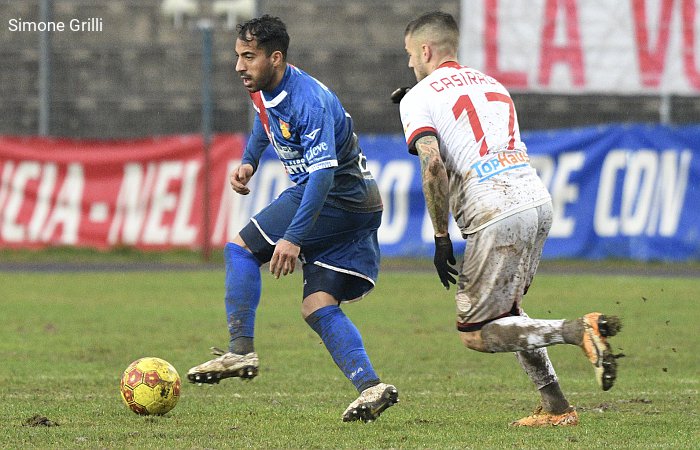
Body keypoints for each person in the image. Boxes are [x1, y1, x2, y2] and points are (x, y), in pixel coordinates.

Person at [394, 11, 622, 427]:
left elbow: (433, 167)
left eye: (410, 54)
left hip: (492, 211)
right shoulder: (492, 83)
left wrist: (441, 235)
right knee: (512, 311)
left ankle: (575, 330)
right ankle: (556, 407)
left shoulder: (417, 97)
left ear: (425, 50)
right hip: (535, 201)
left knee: (476, 334)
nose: (409, 63)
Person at [187, 14, 398, 423]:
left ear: (276, 58)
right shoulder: (264, 87)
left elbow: (321, 175)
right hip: (357, 206)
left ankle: (240, 350)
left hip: (336, 197)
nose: (239, 66)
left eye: (248, 57)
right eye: (237, 56)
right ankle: (371, 386)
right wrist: (249, 162)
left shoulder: (309, 101)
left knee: (241, 250)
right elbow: (264, 122)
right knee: (317, 305)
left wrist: (294, 237)